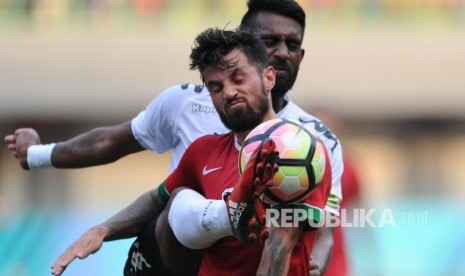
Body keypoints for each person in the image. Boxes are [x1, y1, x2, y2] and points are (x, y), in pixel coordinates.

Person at [4, 0, 343, 274]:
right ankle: (232, 213)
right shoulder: (194, 123)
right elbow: (118, 151)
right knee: (179, 200)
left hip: (258, 261)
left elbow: (301, 236)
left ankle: (233, 213)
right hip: (173, 257)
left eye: (292, 44)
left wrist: (319, 264)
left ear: (267, 76)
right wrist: (101, 229)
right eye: (270, 41)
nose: (282, 52)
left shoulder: (307, 146)